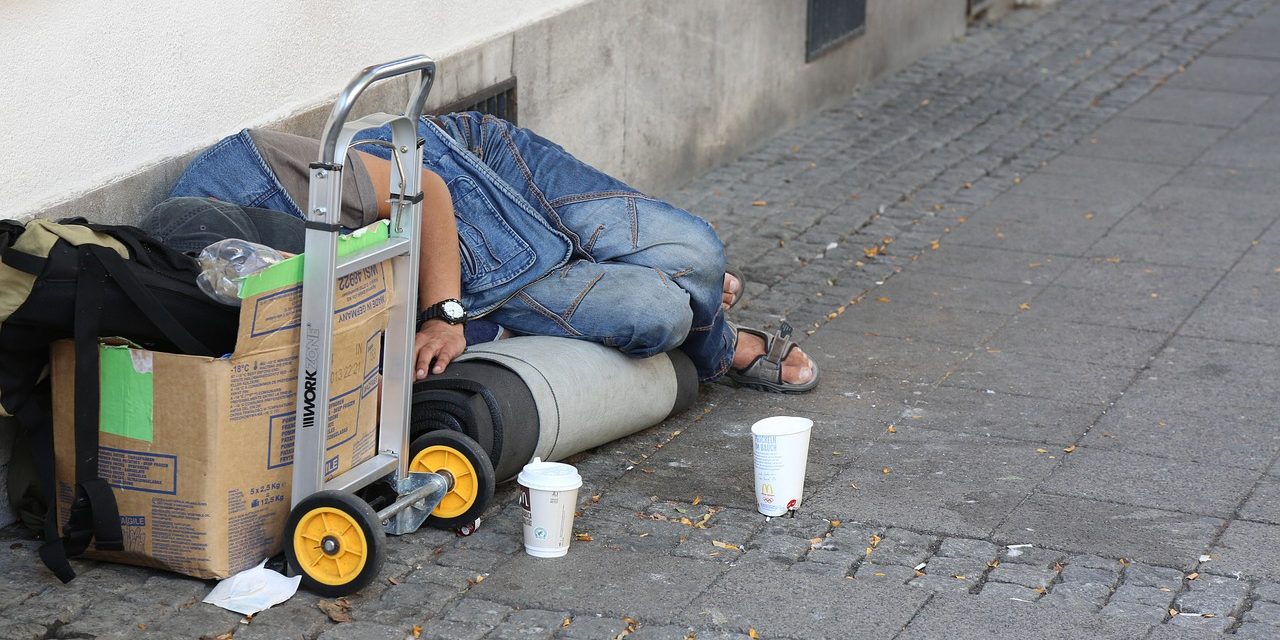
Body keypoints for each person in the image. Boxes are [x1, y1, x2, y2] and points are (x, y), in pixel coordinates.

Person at [146, 112, 817, 393]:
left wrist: (442, 313)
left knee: (698, 246)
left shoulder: (247, 172)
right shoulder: (223, 295)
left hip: (467, 164)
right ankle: (705, 321)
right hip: (488, 274)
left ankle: (712, 328)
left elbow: (426, 190)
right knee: (658, 311)